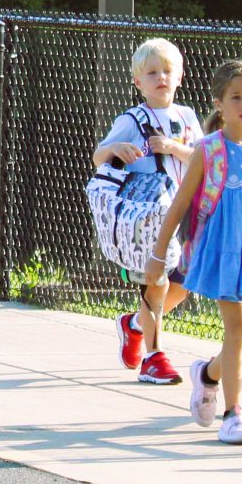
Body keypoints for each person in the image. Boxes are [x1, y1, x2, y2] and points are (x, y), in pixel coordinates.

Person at [149, 60, 242, 446]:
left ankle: (208, 375)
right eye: (236, 97)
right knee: (236, 330)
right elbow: (180, 206)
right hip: (221, 250)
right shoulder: (209, 149)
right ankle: (234, 415)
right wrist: (158, 258)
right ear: (220, 103)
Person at [87, 37, 200, 384]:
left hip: (185, 207)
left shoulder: (187, 117)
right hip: (150, 214)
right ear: (138, 82)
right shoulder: (133, 119)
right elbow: (99, 156)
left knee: (187, 281)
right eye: (152, 73)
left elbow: (201, 158)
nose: (161, 78)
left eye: (167, 71)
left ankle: (135, 323)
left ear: (180, 76)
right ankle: (154, 356)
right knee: (158, 282)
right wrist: (116, 147)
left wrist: (172, 148)